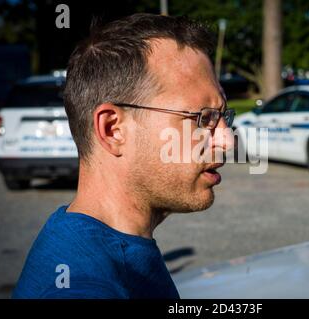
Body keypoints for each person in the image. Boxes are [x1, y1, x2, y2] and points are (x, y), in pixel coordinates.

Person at [13, 13, 235, 299]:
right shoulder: (82, 287)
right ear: (113, 129)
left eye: (223, 116)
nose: (227, 141)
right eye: (204, 118)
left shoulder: (91, 241)